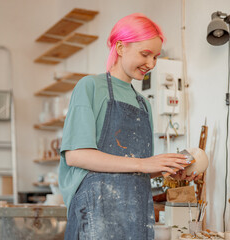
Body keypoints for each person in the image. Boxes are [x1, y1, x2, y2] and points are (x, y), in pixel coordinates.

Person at [58, 13, 200, 239]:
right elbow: (76, 156)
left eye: (155, 57)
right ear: (121, 47)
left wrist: (170, 169)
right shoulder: (90, 87)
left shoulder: (143, 104)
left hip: (135, 215)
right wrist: (144, 164)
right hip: (95, 214)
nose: (151, 64)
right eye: (145, 54)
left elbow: (136, 168)